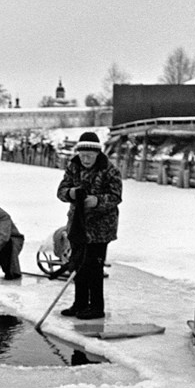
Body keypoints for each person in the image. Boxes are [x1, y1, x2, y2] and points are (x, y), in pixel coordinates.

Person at [57, 131, 122, 320]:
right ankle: (79, 304)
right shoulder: (73, 167)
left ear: (97, 154)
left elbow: (116, 196)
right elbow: (61, 191)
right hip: (77, 225)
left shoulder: (110, 170)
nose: (85, 159)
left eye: (89, 155)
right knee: (78, 265)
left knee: (94, 268)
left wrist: (96, 201)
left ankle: (96, 308)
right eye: (82, 155)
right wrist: (71, 193)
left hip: (100, 228)